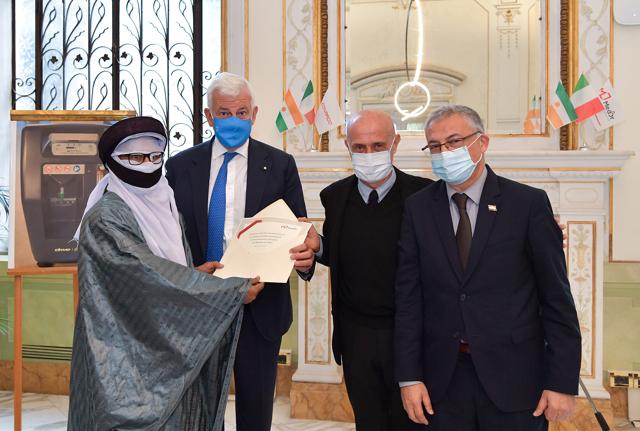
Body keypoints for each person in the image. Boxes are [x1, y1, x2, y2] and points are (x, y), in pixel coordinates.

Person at [69, 116, 263, 430]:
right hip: (124, 358)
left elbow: (164, 269)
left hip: (169, 346)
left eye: (154, 156)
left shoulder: (166, 201)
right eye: (135, 157)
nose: (147, 165)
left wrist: (195, 274)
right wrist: (231, 291)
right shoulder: (105, 217)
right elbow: (146, 277)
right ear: (112, 162)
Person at [395, 105, 582, 431]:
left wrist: (562, 382)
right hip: (442, 381)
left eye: (454, 141)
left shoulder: (528, 204)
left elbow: (556, 299)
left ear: (482, 142)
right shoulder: (418, 208)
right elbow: (408, 299)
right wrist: (409, 378)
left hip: (515, 379)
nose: (444, 152)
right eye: (435, 146)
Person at [165, 72, 313, 431]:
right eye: (224, 113)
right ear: (209, 116)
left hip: (260, 308)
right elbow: (168, 239)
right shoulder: (179, 167)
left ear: (254, 114)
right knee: (198, 411)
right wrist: (189, 278)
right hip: (199, 307)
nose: (234, 120)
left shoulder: (280, 165)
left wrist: (305, 257)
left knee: (256, 412)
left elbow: (298, 231)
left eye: (242, 112)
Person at [303, 110, 432, 430]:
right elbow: (343, 253)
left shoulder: (425, 196)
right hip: (355, 336)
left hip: (408, 336)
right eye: (360, 147)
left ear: (395, 144)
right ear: (348, 147)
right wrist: (318, 246)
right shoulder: (334, 197)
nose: (369, 154)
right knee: (368, 421)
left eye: (378, 146)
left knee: (413, 422)